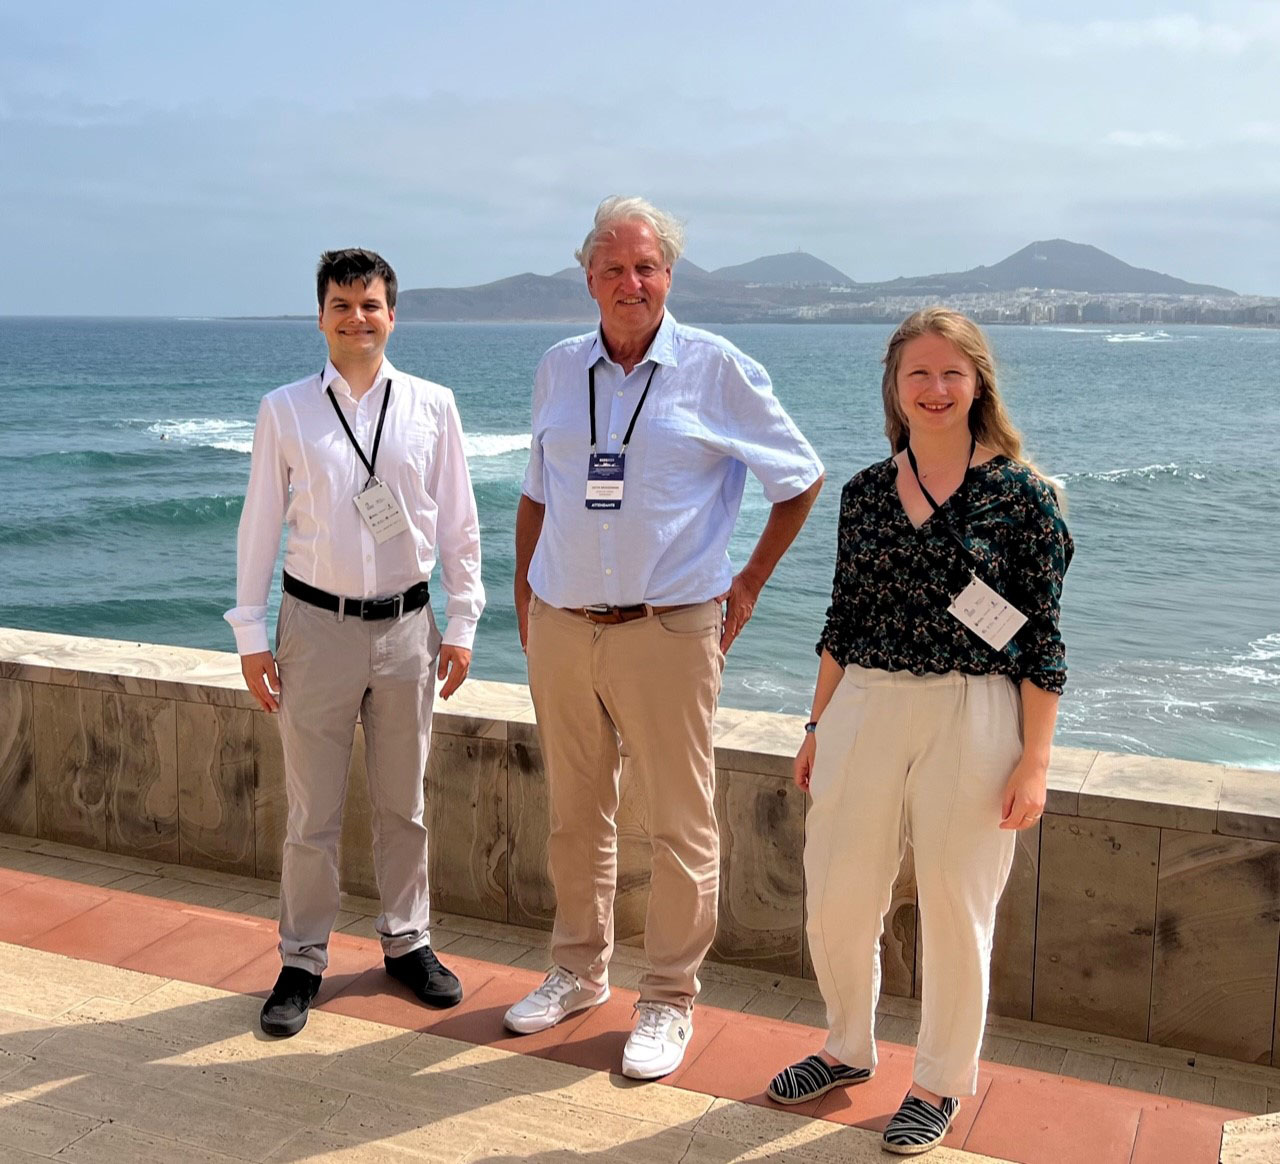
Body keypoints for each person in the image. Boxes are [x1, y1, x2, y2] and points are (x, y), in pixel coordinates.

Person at [504, 196, 825, 1079]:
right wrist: (524, 597)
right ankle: (575, 971)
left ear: (669, 275)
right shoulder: (558, 369)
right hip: (565, 627)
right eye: (611, 269)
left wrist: (747, 583)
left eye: (645, 267)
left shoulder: (715, 368)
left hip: (668, 630)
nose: (629, 283)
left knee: (680, 825)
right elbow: (538, 491)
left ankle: (669, 999)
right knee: (576, 815)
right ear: (588, 279)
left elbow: (799, 477)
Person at [767, 308, 1072, 1154]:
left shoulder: (1022, 497)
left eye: (951, 374)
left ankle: (937, 1083)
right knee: (836, 892)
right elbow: (843, 617)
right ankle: (845, 1048)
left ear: (978, 384)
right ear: (895, 392)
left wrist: (1034, 761)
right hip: (864, 700)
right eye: (918, 376)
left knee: (954, 907)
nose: (935, 390)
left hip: (973, 712)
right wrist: (817, 724)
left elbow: (1040, 640)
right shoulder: (865, 492)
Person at [226, 248, 484, 1037]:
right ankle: (302, 959)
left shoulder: (434, 406)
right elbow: (260, 524)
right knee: (313, 811)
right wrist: (249, 633)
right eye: (342, 305)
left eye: (370, 305)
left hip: (409, 627)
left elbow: (459, 524)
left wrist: (464, 619)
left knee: (405, 804)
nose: (356, 317)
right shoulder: (286, 409)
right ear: (321, 316)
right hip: (313, 628)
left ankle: (408, 943)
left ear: (391, 315)